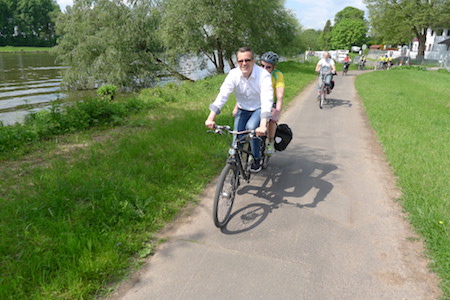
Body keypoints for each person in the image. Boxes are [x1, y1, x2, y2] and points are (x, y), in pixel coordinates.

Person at [205, 47, 273, 172]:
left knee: (252, 128)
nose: (244, 63)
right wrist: (211, 117)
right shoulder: (233, 74)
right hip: (243, 109)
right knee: (236, 137)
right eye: (240, 61)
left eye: (247, 60)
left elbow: (267, 100)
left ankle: (257, 159)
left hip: (259, 108)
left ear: (254, 61)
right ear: (237, 62)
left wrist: (263, 125)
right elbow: (223, 95)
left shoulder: (263, 75)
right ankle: (236, 166)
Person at [233, 51, 284, 156]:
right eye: (262, 65)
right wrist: (236, 106)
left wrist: (277, 111)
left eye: (268, 67)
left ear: (274, 67)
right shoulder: (254, 72)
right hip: (255, 102)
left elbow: (280, 95)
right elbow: (245, 92)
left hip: (270, 102)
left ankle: (270, 141)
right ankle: (242, 147)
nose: (264, 68)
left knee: (272, 120)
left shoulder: (277, 75)